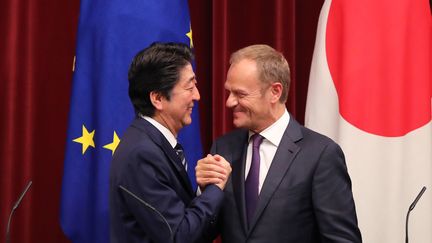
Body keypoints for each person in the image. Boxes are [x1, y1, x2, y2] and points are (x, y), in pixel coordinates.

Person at [196, 44, 362, 242]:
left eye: (240, 94)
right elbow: (202, 234)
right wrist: (205, 192)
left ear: (275, 92)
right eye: (229, 92)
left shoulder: (320, 155)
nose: (229, 102)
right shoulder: (223, 149)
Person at [109, 42, 232, 243]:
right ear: (158, 98)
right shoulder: (141, 153)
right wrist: (215, 188)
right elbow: (178, 237)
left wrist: (203, 190)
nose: (197, 96)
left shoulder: (153, 143)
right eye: (190, 87)